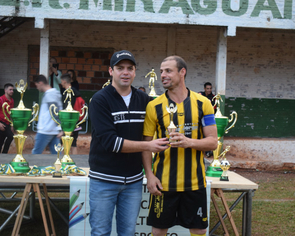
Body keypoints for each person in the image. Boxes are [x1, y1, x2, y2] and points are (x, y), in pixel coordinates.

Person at [88, 50, 169, 236]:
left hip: (133, 181)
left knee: (128, 233)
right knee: (100, 232)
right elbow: (111, 143)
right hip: (104, 180)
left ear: (134, 72)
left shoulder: (144, 100)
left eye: (130, 68)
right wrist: (149, 146)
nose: (125, 72)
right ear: (111, 71)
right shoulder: (100, 100)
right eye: (120, 68)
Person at [142, 56, 218, 236]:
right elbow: (146, 145)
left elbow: (213, 142)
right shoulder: (154, 106)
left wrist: (189, 142)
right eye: (161, 71)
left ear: (182, 72)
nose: (163, 75)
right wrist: (150, 175)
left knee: (199, 230)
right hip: (163, 182)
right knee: (159, 230)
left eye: (168, 71)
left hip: (195, 182)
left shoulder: (203, 103)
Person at [32, 75, 63, 154]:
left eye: (37, 85)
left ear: (40, 83)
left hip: (45, 130)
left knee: (35, 154)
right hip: (53, 130)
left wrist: (60, 128)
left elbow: (54, 111)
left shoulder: (50, 94)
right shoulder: (53, 93)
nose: (37, 88)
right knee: (57, 155)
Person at [60, 73, 81, 155]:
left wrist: (68, 125)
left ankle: (63, 161)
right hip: (76, 119)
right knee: (73, 143)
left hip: (70, 121)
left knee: (64, 141)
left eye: (61, 81)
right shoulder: (75, 91)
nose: (61, 83)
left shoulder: (68, 93)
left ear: (65, 81)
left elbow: (67, 109)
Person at [0, 83, 14, 154]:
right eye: (10, 90)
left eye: (12, 90)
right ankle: (4, 153)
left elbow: (11, 114)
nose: (12, 91)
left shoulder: (12, 101)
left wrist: (12, 125)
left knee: (2, 137)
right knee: (10, 136)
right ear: (5, 90)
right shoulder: (0, 99)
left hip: (7, 122)